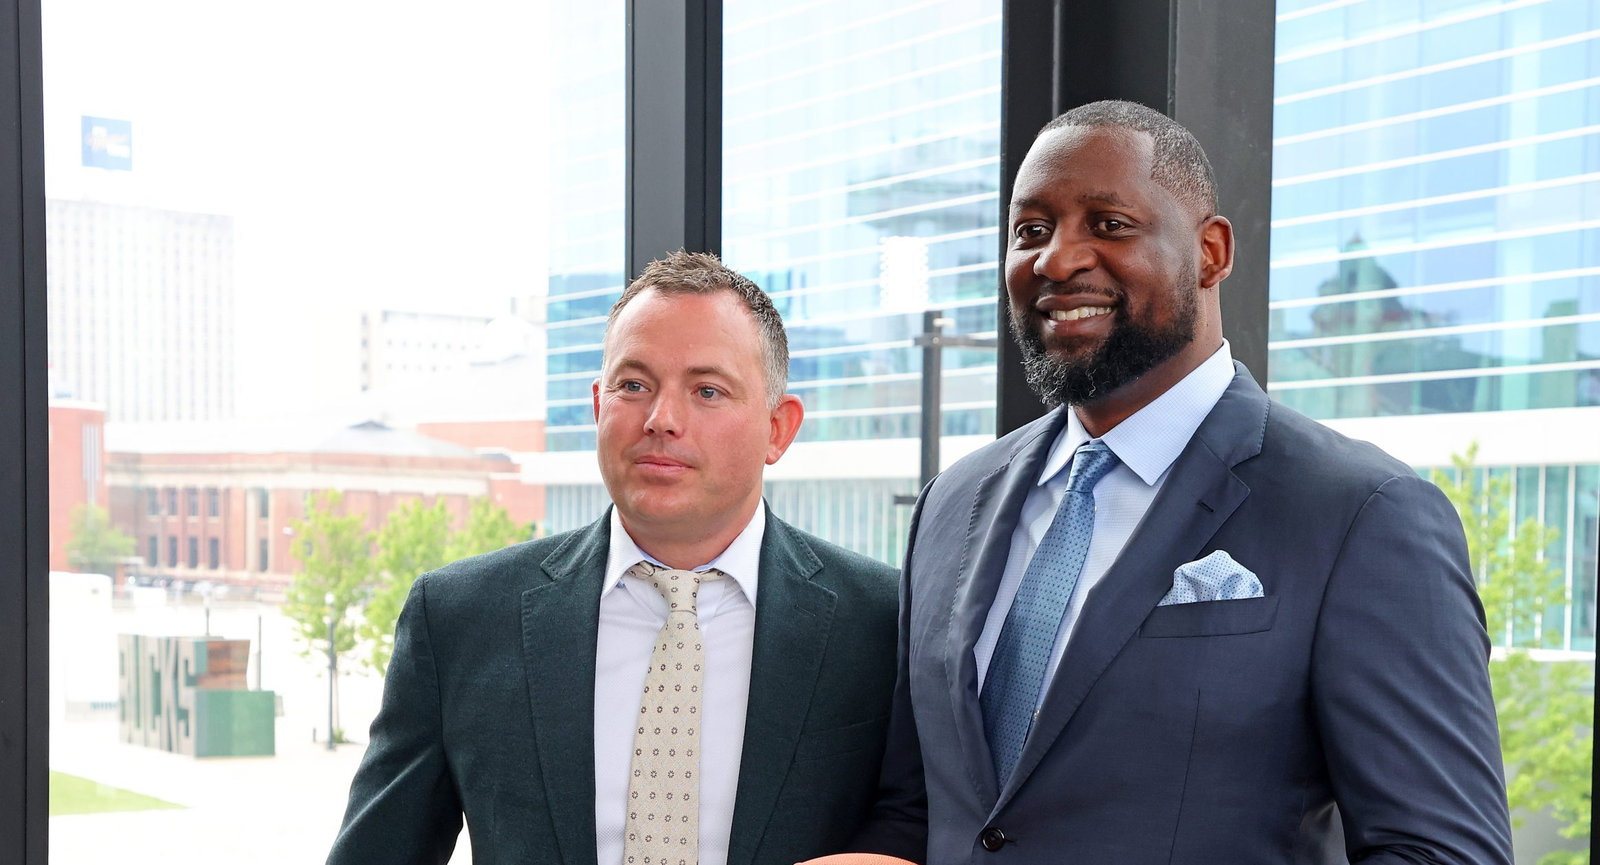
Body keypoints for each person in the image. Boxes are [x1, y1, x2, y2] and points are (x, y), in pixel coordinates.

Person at [849, 101, 1513, 864]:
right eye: (1030, 231)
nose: (1057, 261)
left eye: (1109, 224)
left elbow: (1442, 851)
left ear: (1211, 251)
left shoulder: (1361, 514)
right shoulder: (951, 502)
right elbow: (918, 813)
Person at [328, 251, 900, 865]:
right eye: (634, 386)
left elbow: (925, 828)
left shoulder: (885, 622)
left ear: (778, 428)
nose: (661, 419)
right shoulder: (459, 618)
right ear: (599, 406)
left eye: (707, 391)